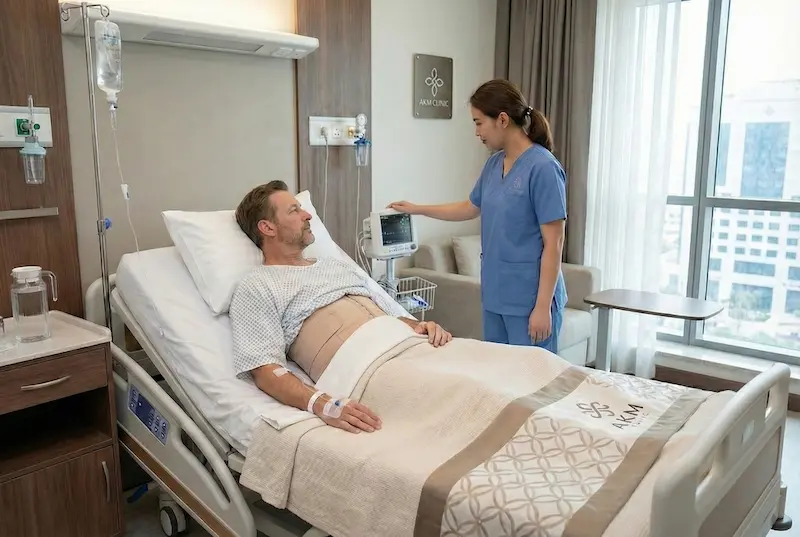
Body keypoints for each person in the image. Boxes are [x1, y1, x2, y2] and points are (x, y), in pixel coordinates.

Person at [229, 180, 452, 435]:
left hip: (413, 348)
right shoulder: (258, 285)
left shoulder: (336, 265)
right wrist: (322, 404)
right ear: (267, 227)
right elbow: (265, 369)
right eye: (294, 211)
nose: (308, 215)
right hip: (371, 370)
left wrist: (420, 326)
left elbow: (388, 314)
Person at [389, 79, 568, 352]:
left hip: (530, 299)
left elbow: (554, 243)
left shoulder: (543, 168)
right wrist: (418, 208)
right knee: (497, 379)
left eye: (478, 122)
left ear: (503, 120)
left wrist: (543, 306)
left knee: (531, 383)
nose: (476, 132)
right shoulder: (494, 163)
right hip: (496, 295)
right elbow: (470, 207)